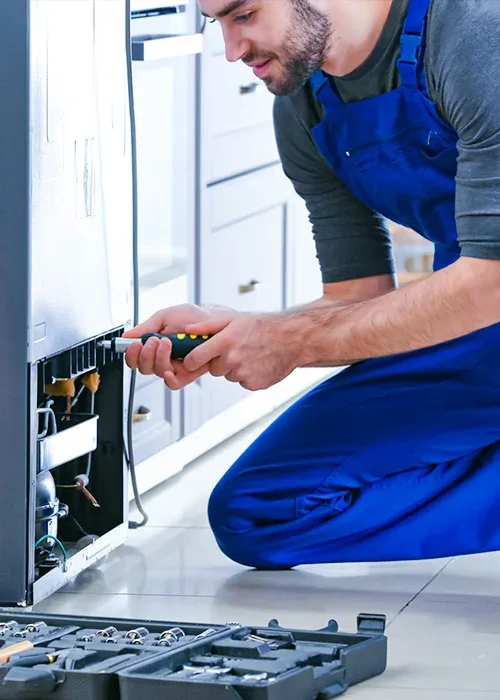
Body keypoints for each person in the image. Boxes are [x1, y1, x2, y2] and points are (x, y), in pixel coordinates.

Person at [123, 0, 500, 570]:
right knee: (259, 512)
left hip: (483, 294)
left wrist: (291, 343)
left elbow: (490, 282)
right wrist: (242, 330)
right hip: (474, 324)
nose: (231, 51)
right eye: (217, 24)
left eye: (243, 14)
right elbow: (360, 301)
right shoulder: (304, 108)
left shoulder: (475, 35)